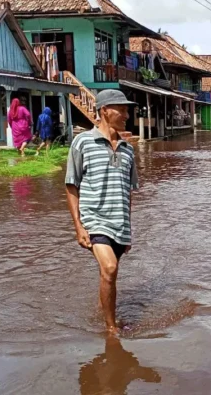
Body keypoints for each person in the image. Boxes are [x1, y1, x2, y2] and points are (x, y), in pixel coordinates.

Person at [65, 90, 139, 335]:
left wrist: (128, 230)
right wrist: (79, 226)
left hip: (119, 223)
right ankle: (111, 329)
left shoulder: (128, 149)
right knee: (109, 269)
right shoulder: (83, 142)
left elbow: (128, 192)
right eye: (122, 109)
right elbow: (71, 185)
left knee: (108, 275)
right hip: (95, 221)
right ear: (105, 110)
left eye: (127, 110)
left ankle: (99, 311)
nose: (127, 115)